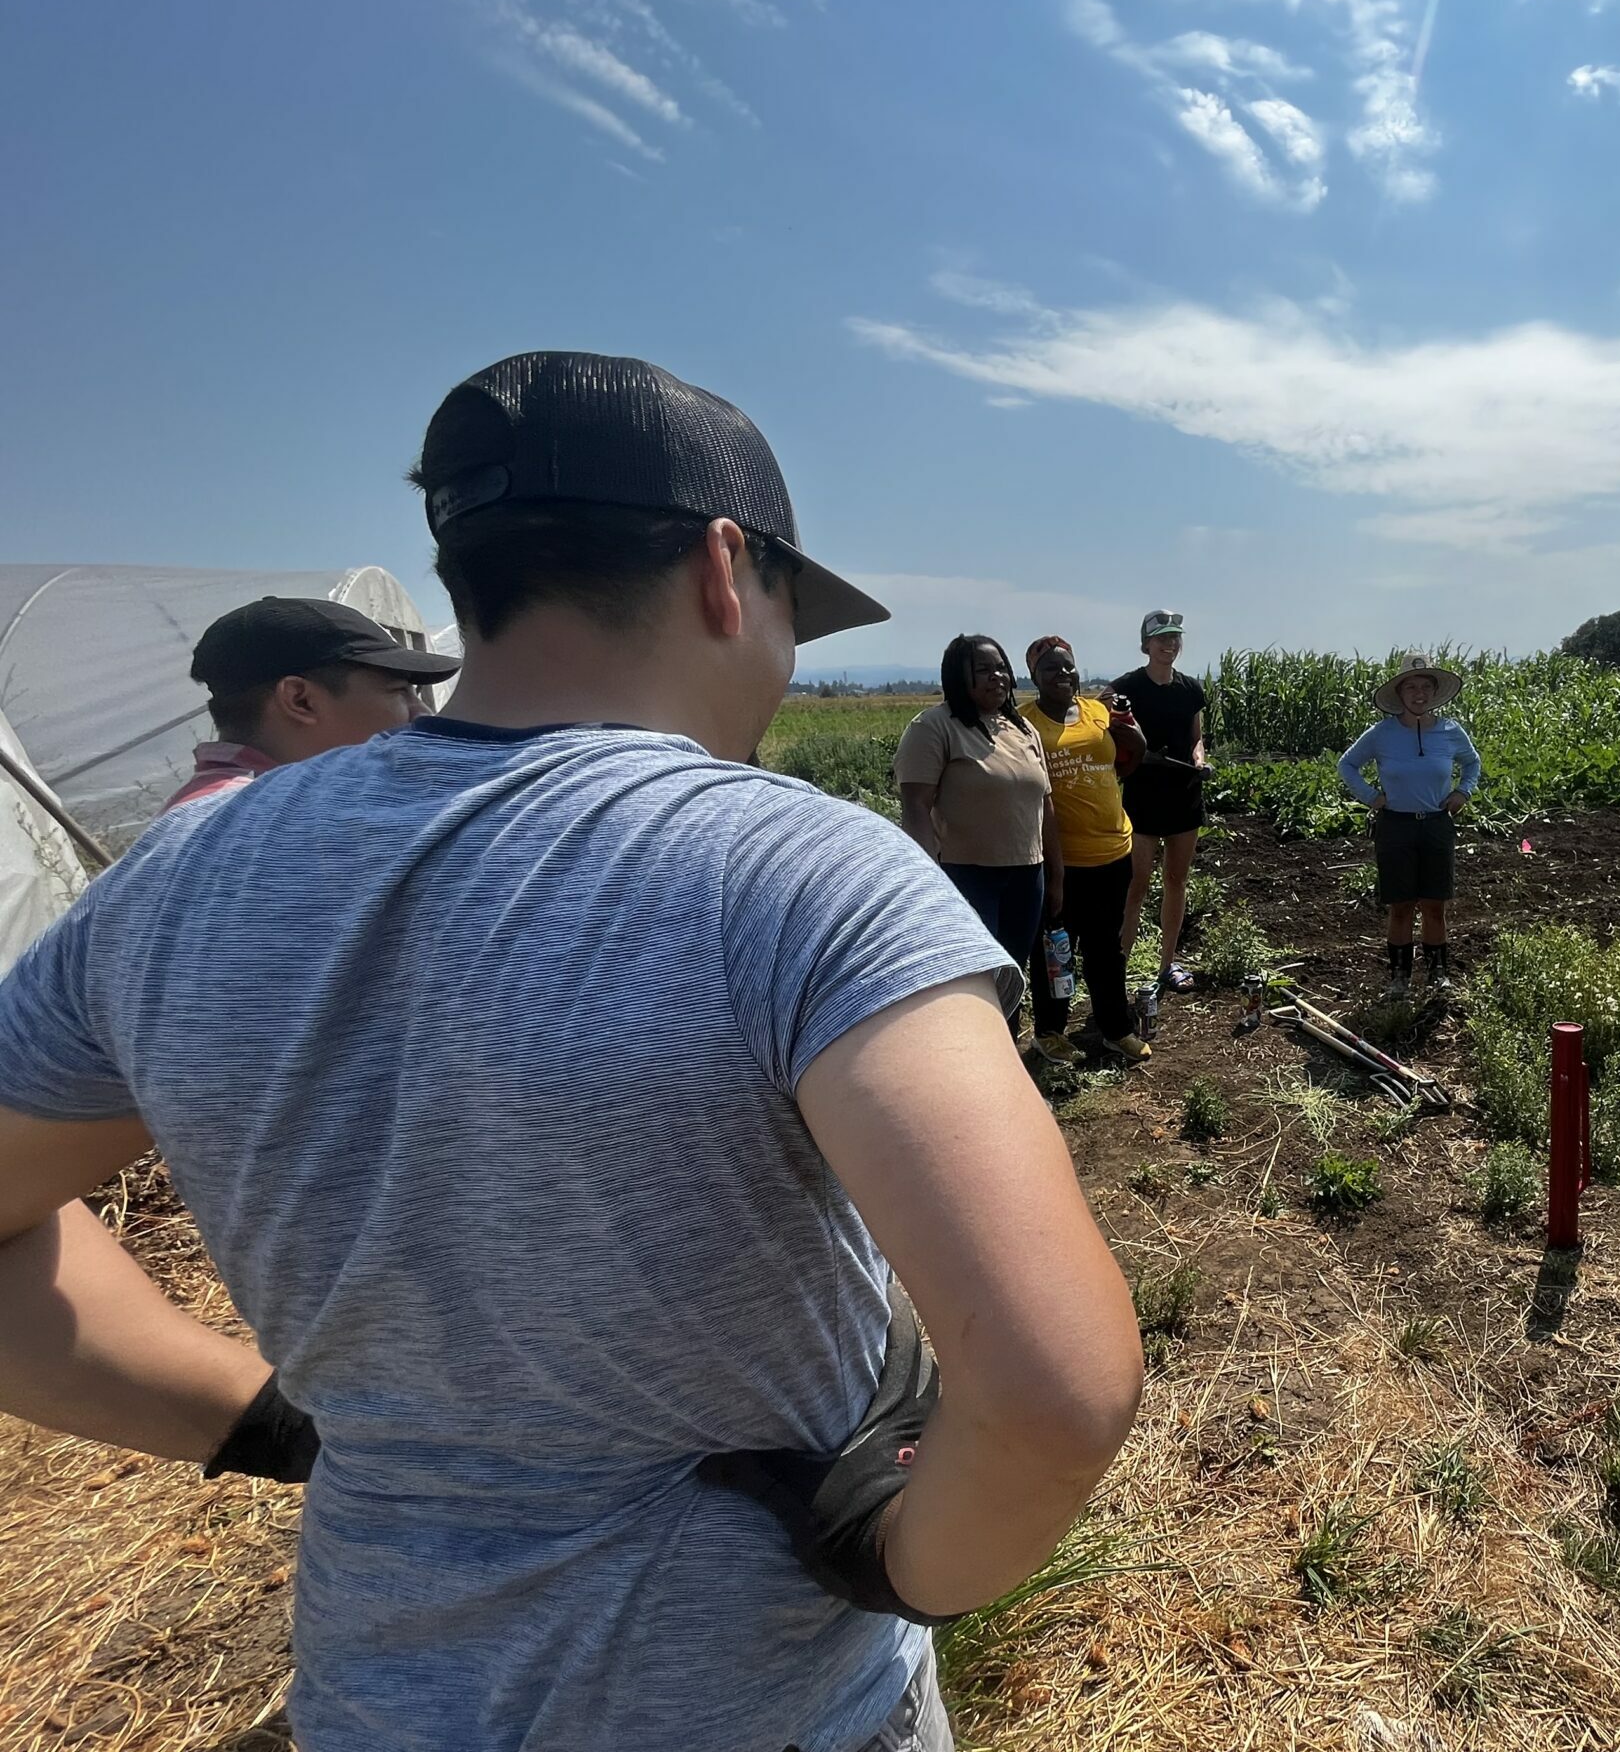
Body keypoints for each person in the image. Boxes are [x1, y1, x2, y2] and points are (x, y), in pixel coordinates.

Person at [0, 351, 1143, 1752]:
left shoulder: (177, 885)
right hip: (764, 1708)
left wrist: (269, 1424)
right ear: (727, 570)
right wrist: (909, 1563)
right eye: (792, 611)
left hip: (382, 1706)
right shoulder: (790, 868)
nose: (785, 662)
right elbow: (1057, 1390)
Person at [895, 635, 1064, 1034]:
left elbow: (1046, 806)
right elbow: (916, 808)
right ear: (958, 676)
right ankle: (969, 1067)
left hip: (1027, 874)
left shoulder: (1021, 728)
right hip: (967, 876)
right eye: (983, 670)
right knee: (975, 979)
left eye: (1001, 668)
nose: (997, 677)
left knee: (1012, 975)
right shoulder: (935, 727)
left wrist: (1056, 874)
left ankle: (1007, 1062)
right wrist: (928, 879)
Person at [165, 597, 460, 811]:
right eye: (399, 692)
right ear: (300, 700)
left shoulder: (197, 816)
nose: (422, 713)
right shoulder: (270, 827)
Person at [1021, 635, 1150, 1063]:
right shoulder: (1024, 724)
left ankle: (1115, 1029)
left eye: (1067, 666)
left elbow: (1132, 751)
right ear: (1034, 677)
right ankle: (1051, 1031)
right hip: (1061, 860)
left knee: (1106, 948)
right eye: (1051, 669)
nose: (1062, 674)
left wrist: (1131, 730)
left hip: (1114, 850)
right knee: (1057, 947)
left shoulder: (1097, 711)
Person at [1337, 654, 1480, 996]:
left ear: (1434, 692)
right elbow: (1348, 765)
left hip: (1436, 825)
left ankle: (1437, 975)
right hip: (1396, 827)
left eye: (1425, 687)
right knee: (1400, 906)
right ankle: (1399, 979)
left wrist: (1463, 791)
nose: (1419, 693)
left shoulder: (1450, 731)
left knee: (1434, 905)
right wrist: (1372, 796)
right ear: (1400, 694)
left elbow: (1472, 763)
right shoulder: (1381, 733)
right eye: (1411, 687)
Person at [1113, 609, 1210, 995]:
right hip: (1142, 797)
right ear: (1146, 645)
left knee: (1176, 880)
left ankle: (1167, 964)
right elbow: (1108, 731)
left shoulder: (1190, 690)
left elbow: (1196, 738)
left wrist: (1199, 760)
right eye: (1162, 638)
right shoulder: (1126, 687)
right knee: (1135, 884)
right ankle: (1117, 964)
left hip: (1184, 795)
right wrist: (1135, 755)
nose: (1170, 644)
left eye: (1175, 638)